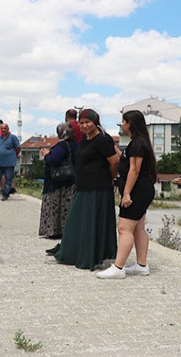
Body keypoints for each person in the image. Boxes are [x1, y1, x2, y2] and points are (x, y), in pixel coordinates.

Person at [53, 109, 119, 270]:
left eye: (87, 122)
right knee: (77, 223)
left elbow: (115, 161)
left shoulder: (102, 140)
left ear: (95, 123)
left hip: (97, 189)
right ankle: (74, 253)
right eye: (81, 123)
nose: (84, 125)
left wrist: (109, 178)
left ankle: (91, 256)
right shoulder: (84, 139)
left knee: (90, 224)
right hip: (82, 187)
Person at [96, 110, 157, 279]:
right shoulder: (138, 142)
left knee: (124, 228)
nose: (121, 124)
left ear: (130, 123)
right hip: (144, 188)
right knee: (138, 227)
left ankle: (119, 267)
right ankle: (142, 265)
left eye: (123, 121)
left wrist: (127, 193)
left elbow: (134, 169)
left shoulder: (137, 144)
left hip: (137, 190)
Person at [40, 122, 78, 252]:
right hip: (71, 181)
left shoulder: (62, 145)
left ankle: (55, 230)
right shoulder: (75, 145)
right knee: (66, 209)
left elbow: (54, 160)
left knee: (57, 207)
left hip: (58, 183)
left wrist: (46, 154)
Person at [0, 123, 21, 200]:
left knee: (8, 178)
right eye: (2, 129)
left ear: (8, 129)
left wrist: (14, 155)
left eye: (5, 128)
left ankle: (6, 194)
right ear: (0, 130)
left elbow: (18, 148)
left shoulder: (13, 137)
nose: (3, 130)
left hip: (9, 162)